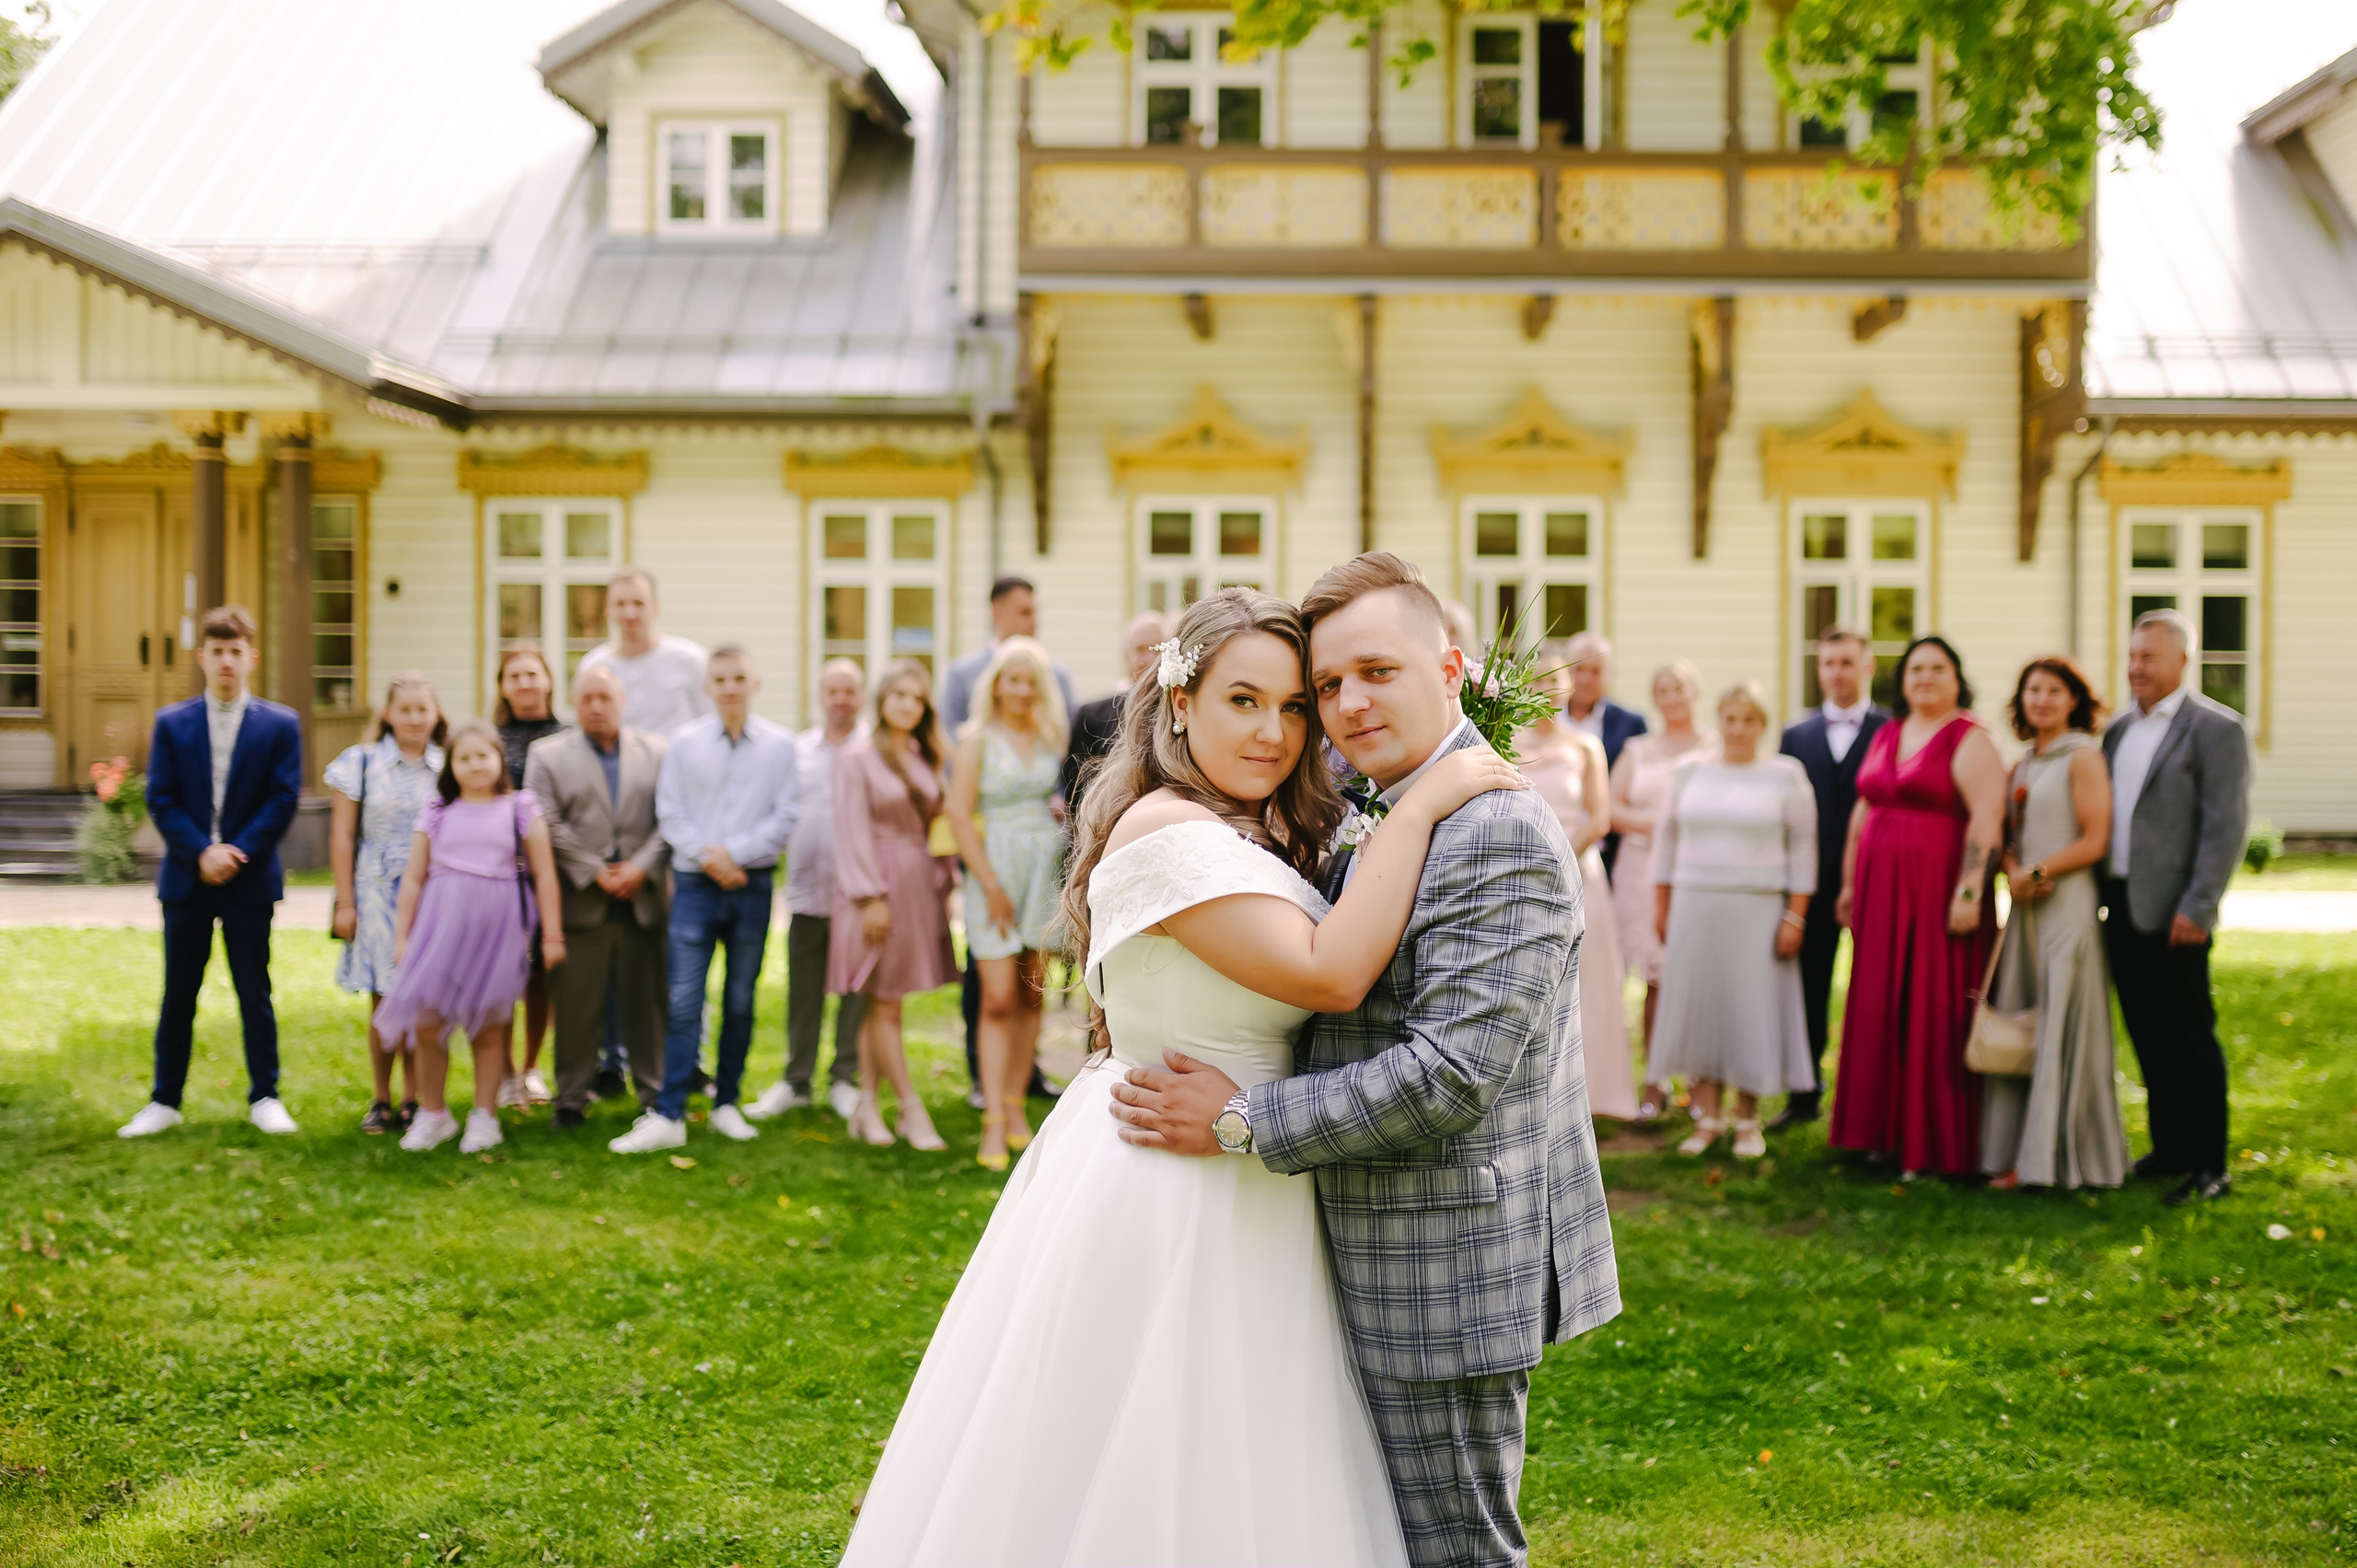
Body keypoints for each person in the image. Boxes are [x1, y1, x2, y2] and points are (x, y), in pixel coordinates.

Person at [839, 585, 1542, 1568]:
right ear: (1180, 702)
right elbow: (1329, 973)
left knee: (1247, 1457)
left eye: (1293, 705)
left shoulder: (1253, 826)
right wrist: (1424, 800)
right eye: (1242, 700)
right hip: (1169, 1173)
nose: (1274, 732)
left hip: (1250, 1165)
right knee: (1145, 1448)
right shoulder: (1168, 832)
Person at [1113, 556, 1620, 1568]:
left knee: (1452, 1552)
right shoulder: (1378, 805)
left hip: (1440, 1265)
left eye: (1377, 672)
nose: (1348, 705)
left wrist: (1241, 1117)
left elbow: (1449, 1074)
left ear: (1451, 668)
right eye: (1329, 685)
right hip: (1341, 1241)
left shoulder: (1495, 828)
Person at [119, 606, 306, 1141]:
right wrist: (201, 851)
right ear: (202, 657)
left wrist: (236, 851)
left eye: (236, 651)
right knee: (179, 991)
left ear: (252, 658)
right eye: (217, 651)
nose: (227, 661)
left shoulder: (280, 725)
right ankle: (165, 1100)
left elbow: (283, 797)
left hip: (249, 878)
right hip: (187, 878)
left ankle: (266, 1097)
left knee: (254, 990)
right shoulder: (172, 723)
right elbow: (161, 797)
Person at [1826, 635, 2007, 1178]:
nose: (1925, 677)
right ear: (1902, 680)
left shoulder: (1970, 737)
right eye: (1915, 669)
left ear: (1957, 678)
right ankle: (1879, 1133)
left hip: (1938, 892)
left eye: (1937, 668)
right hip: (1879, 893)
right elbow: (1863, 811)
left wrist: (1970, 891)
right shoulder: (1888, 732)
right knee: (1881, 1003)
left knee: (1933, 1004)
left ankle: (1932, 1143)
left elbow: (1987, 817)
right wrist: (1849, 885)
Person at [610, 645, 800, 1155]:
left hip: (751, 886)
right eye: (721, 679)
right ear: (708, 687)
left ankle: (726, 1104)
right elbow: (670, 812)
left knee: (740, 999)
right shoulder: (685, 743)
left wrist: (735, 855)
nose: (730, 687)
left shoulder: (780, 746)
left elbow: (785, 815)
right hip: (695, 886)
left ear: (755, 683)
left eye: (739, 678)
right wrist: (710, 858)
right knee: (683, 1000)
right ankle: (669, 1112)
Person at [2101, 609, 2251, 1206]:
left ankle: (2210, 1163)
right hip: (2121, 906)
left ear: (2182, 660)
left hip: (2178, 911)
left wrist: (2200, 905)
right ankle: (2171, 1147)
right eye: (2133, 656)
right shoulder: (2116, 731)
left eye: (2149, 657)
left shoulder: (2217, 730)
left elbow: (2224, 827)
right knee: (2149, 1033)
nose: (2136, 667)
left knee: (2191, 1037)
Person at [374, 722, 566, 1155]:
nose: (475, 765)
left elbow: (545, 874)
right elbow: (413, 879)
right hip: (439, 932)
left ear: (499, 759)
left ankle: (484, 1116)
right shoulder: (437, 811)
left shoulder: (519, 808)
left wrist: (552, 934)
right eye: (464, 758)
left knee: (490, 1027)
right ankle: (434, 1113)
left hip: (497, 934)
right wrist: (402, 937)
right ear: (451, 766)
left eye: (483, 756)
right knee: (428, 1023)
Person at [1648, 683, 1817, 1162]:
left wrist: (1795, 916)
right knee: (1704, 1008)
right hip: (1695, 904)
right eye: (1731, 718)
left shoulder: (1786, 775)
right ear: (1718, 720)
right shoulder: (1688, 771)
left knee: (1749, 1010)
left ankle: (1746, 1119)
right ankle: (1708, 1118)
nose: (1739, 729)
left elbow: (1804, 850)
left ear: (1763, 725)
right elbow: (1665, 844)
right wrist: (1661, 906)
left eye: (1749, 720)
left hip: (1757, 908)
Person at [1980, 656, 2126, 1191]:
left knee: (2061, 1020)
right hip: (2026, 908)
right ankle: (2012, 1151)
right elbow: (2008, 839)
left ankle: (2054, 1159)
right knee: (2024, 1021)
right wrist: (2014, 872)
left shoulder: (2082, 756)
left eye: (2054, 691)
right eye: (2033, 690)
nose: (2041, 700)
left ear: (2075, 701)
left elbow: (2095, 838)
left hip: (2067, 905)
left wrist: (2040, 872)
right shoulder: (2022, 763)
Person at [941, 575, 1077, 1110]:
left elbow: (1060, 788)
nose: (1021, 690)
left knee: (1030, 992)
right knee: (996, 997)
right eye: (1013, 680)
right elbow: (958, 814)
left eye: (1030, 682)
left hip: (1041, 869)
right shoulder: (975, 741)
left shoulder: (1050, 738)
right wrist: (990, 886)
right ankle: (993, 1113)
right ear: (996, 684)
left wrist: (1059, 808)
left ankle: (1017, 1106)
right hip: (994, 869)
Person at [522, 663, 671, 1129]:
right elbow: (545, 821)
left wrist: (641, 867)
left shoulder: (659, 752)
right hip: (581, 899)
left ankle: (654, 1093)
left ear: (622, 701)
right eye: (586, 698)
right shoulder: (547, 755)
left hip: (643, 897)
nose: (596, 706)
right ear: (574, 703)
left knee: (648, 1003)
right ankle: (571, 1097)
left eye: (605, 697)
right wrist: (593, 871)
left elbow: (673, 817)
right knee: (576, 1005)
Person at [830, 659, 960, 1151]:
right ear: (882, 699)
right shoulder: (856, 758)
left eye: (917, 698)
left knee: (885, 1002)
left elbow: (937, 827)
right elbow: (851, 830)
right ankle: (909, 1107)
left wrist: (945, 884)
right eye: (899, 695)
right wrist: (870, 897)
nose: (908, 705)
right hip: (878, 888)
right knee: (884, 1002)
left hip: (917, 887)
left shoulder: (923, 756)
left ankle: (866, 1105)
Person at [1772, 627, 1888, 1129]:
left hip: (1877, 880)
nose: (1837, 673)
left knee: (1878, 988)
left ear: (1868, 667)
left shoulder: (1891, 730)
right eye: (1828, 663)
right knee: (1808, 989)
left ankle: (1875, 1096)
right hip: (1811, 886)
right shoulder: (1796, 735)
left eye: (1846, 663)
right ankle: (1804, 1093)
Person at [748, 657, 868, 1123]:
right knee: (803, 992)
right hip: (807, 893)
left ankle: (845, 1079)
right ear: (821, 696)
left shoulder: (872, 750)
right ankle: (796, 1081)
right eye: (833, 691)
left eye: (849, 691)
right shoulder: (796, 751)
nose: (841, 700)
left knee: (855, 993)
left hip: (858, 897)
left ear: (860, 697)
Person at [326, 671, 447, 1134]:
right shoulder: (360, 762)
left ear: (435, 715)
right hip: (375, 891)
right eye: (405, 709)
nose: (415, 718)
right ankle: (381, 1096)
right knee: (383, 997)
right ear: (388, 714)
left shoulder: (447, 766)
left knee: (421, 999)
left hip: (431, 893)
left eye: (423, 709)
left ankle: (414, 1096)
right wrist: (346, 902)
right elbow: (342, 836)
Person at [1517, 641, 1634, 1121]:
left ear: (1568, 687)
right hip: (1522, 874)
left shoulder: (1586, 746)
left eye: (1556, 680)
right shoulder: (1510, 743)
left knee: (1589, 980)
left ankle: (1597, 1094)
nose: (1548, 689)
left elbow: (1600, 818)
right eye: (1539, 681)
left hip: (1578, 870)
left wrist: (1560, 857)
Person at [1608, 659, 1715, 1121]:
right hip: (1641, 873)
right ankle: (1654, 1082)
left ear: (1695, 692)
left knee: (1696, 981)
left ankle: (1698, 1082)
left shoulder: (1713, 748)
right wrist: (1651, 824)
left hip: (1697, 873)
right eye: (1662, 690)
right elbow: (1611, 805)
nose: (1671, 698)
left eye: (1679, 689)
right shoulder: (1638, 749)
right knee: (1654, 981)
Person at [493, 644, 567, 1107]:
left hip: (549, 872)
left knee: (540, 975)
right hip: (497, 874)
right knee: (501, 973)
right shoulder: (489, 740)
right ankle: (502, 1073)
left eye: (531, 674)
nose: (524, 683)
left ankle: (531, 1067)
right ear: (502, 686)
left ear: (548, 680)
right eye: (514, 676)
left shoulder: (567, 738)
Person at [577, 566, 712, 737]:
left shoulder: (690, 659)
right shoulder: (593, 666)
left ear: (655, 606)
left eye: (638, 603)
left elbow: (711, 722)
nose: (630, 613)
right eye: (620, 604)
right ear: (607, 610)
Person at [1559, 632, 1648, 878]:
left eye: (1596, 671)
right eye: (1579, 669)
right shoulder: (1540, 719)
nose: (1586, 678)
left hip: (1612, 852)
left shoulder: (1632, 724)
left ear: (1610, 675)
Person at [1059, 610, 1167, 811]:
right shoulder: (1091, 717)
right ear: (1126, 657)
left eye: (1158, 648)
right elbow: (1074, 787)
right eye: (1141, 649)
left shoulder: (1187, 712)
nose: (1151, 658)